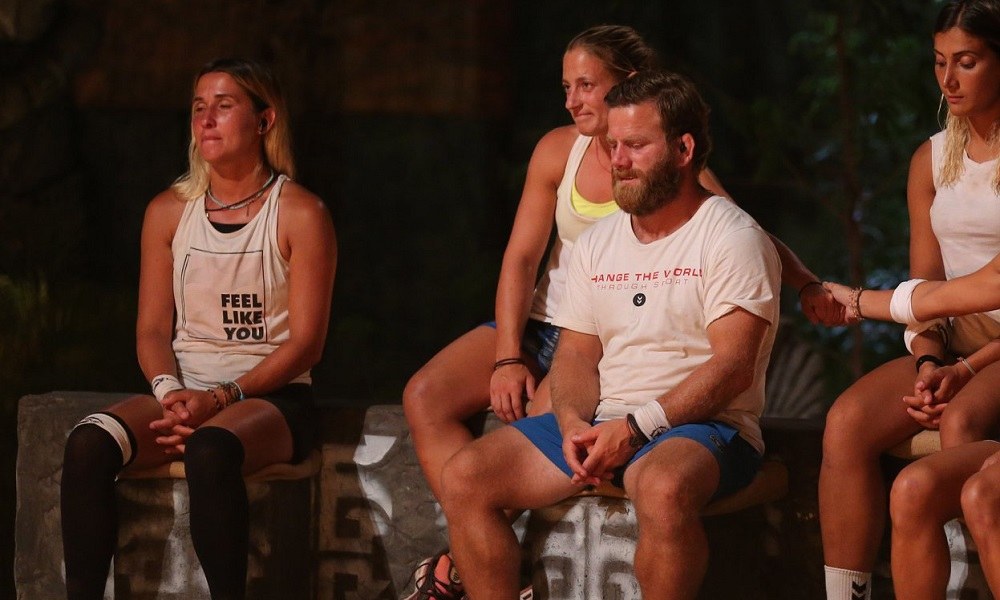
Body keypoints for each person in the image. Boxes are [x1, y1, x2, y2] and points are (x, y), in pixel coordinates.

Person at [401, 24, 839, 599]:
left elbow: (733, 368)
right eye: (613, 146)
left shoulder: (730, 236)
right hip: (604, 409)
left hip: (701, 426)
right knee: (465, 476)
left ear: (683, 151)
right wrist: (571, 423)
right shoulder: (596, 242)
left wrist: (635, 430)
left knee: (661, 486)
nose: (619, 161)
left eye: (636, 146)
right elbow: (576, 353)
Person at [59, 57, 337, 600]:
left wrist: (221, 398)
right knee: (88, 444)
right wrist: (170, 392)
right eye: (198, 108)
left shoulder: (302, 213)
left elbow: (307, 344)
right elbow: (150, 330)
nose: (206, 119)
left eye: (224, 106)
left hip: (269, 398)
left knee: (210, 450)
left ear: (264, 120)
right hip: (183, 395)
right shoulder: (168, 211)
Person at [818, 2, 1000, 598]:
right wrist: (926, 360)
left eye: (967, 62)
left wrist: (864, 303)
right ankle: (847, 593)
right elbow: (926, 288)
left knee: (961, 418)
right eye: (940, 62)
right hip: (951, 334)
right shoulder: (931, 158)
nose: (948, 79)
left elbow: (989, 284)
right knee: (846, 421)